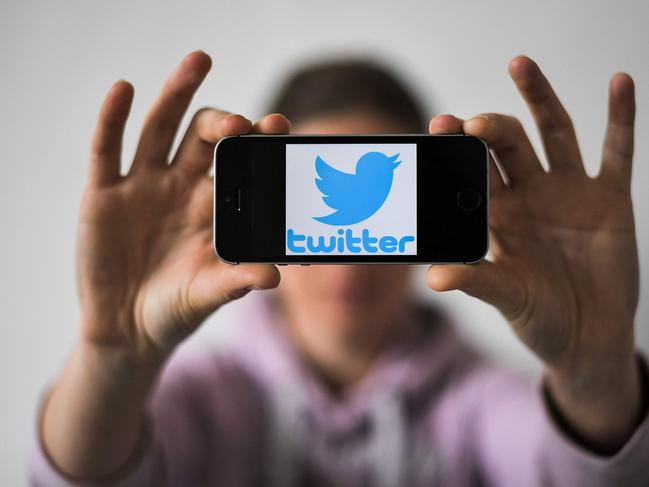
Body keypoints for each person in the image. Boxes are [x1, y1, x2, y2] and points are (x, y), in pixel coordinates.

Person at [29, 50, 648, 486]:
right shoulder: (208, 396)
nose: (348, 255)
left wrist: (596, 370)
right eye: (319, 219)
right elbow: (84, 477)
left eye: (380, 209)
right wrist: (111, 359)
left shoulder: (475, 400)